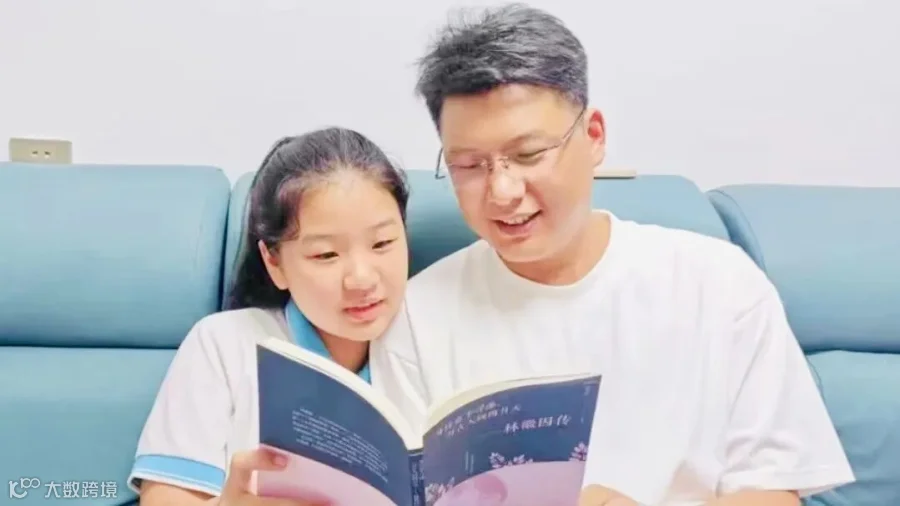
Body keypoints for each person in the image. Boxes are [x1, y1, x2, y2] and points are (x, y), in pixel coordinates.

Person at [369, 3, 856, 505]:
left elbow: (773, 493)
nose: (502, 191)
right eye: (470, 165)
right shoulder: (415, 315)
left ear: (594, 135)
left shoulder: (720, 284)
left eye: (528, 154)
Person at [128, 127, 411, 506]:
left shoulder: (432, 332)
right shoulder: (225, 344)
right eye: (326, 254)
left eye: (382, 243)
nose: (361, 279)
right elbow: (166, 498)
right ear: (273, 262)